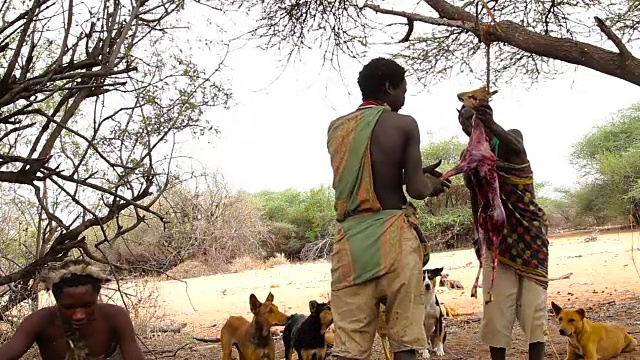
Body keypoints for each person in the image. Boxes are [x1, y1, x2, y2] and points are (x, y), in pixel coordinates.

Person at [326, 57, 450, 360]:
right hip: (395, 238)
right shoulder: (404, 123)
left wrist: (418, 173)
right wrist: (431, 183)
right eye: (403, 90)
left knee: (349, 344)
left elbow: (366, 171)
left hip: (351, 243)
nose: (404, 97)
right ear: (388, 87)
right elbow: (416, 189)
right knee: (406, 337)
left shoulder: (337, 128)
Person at [458, 102, 549, 360]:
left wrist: (493, 125)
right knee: (495, 307)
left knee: (534, 307)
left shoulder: (511, 137)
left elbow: (518, 150)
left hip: (530, 236)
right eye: (465, 119)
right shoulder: (469, 156)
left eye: (475, 117)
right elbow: (476, 197)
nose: (470, 123)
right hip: (496, 238)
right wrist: (478, 235)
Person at [0, 259, 144, 360]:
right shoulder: (39, 321)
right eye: (69, 307)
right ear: (56, 301)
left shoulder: (115, 316)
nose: (79, 315)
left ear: (96, 297)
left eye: (88, 305)